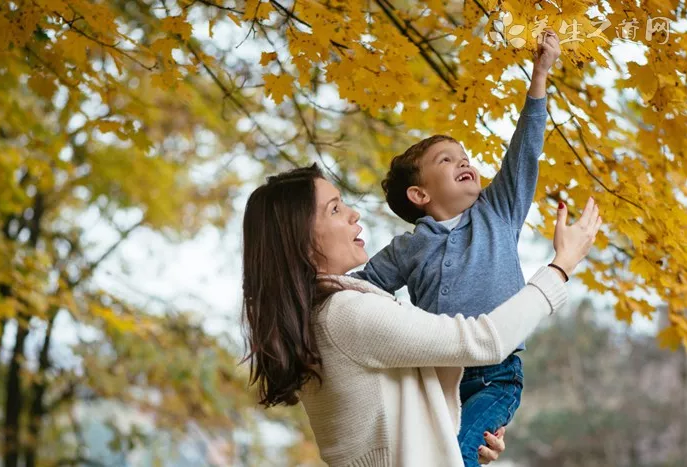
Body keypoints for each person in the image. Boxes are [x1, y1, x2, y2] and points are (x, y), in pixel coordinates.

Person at [241, 164, 601, 466]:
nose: (354, 213)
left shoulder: (320, 317)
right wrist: (561, 266)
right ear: (301, 240)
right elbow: (484, 340)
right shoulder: (345, 313)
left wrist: (456, 439)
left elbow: (391, 426)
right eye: (335, 209)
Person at [351, 29, 564, 465]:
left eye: (464, 156)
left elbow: (524, 152)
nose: (463, 161)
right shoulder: (406, 249)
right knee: (429, 453)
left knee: (460, 455)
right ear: (419, 195)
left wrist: (539, 77)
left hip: (496, 375)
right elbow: (360, 291)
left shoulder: (498, 212)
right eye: (445, 160)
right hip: (433, 378)